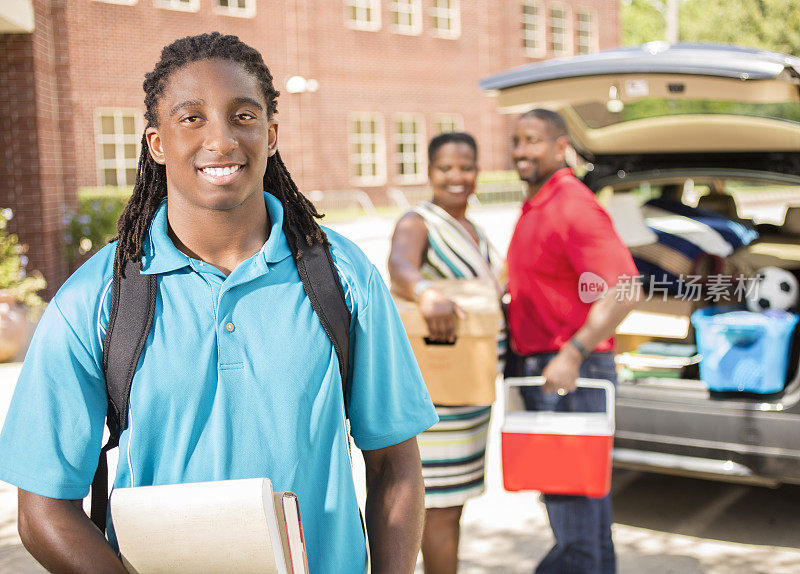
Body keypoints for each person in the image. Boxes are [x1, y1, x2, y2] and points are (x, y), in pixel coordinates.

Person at [0, 33, 438, 573]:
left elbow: (395, 465)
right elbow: (43, 509)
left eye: (243, 116)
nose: (222, 140)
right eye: (192, 118)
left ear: (271, 134)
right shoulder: (95, 298)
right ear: (157, 143)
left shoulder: (342, 277)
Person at [504, 109, 638, 574]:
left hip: (569, 375)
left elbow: (625, 287)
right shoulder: (540, 202)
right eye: (517, 140)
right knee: (587, 520)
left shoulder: (571, 204)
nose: (521, 150)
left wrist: (573, 351)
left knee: (575, 522)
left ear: (561, 147)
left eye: (533, 140)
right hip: (549, 369)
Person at [388, 132, 503, 574]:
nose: (457, 177)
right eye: (446, 168)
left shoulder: (476, 229)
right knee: (436, 507)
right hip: (438, 397)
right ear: (429, 172)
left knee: (454, 505)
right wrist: (426, 292)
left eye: (466, 167)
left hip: (470, 392)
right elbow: (400, 267)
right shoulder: (418, 221)